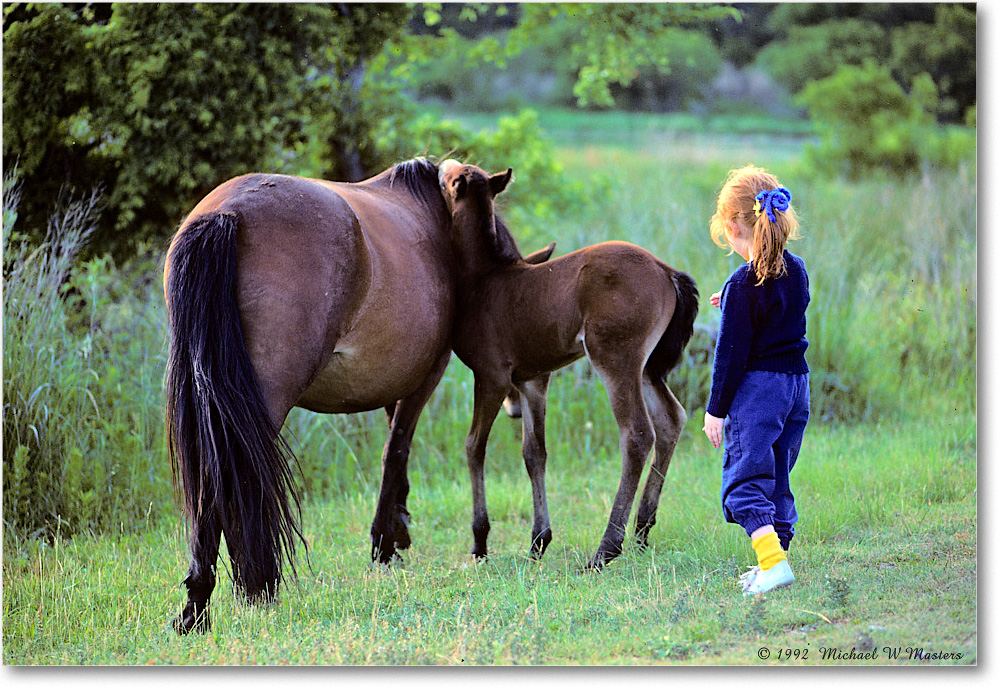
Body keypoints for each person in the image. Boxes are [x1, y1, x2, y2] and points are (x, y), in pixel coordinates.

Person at [702, 165, 810, 595]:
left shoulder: (743, 283)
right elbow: (780, 309)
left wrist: (716, 410)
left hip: (759, 392)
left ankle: (774, 566)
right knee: (779, 476)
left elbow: (731, 354)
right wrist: (730, 300)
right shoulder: (796, 269)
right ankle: (774, 561)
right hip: (796, 387)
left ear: (731, 226)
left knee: (745, 480)